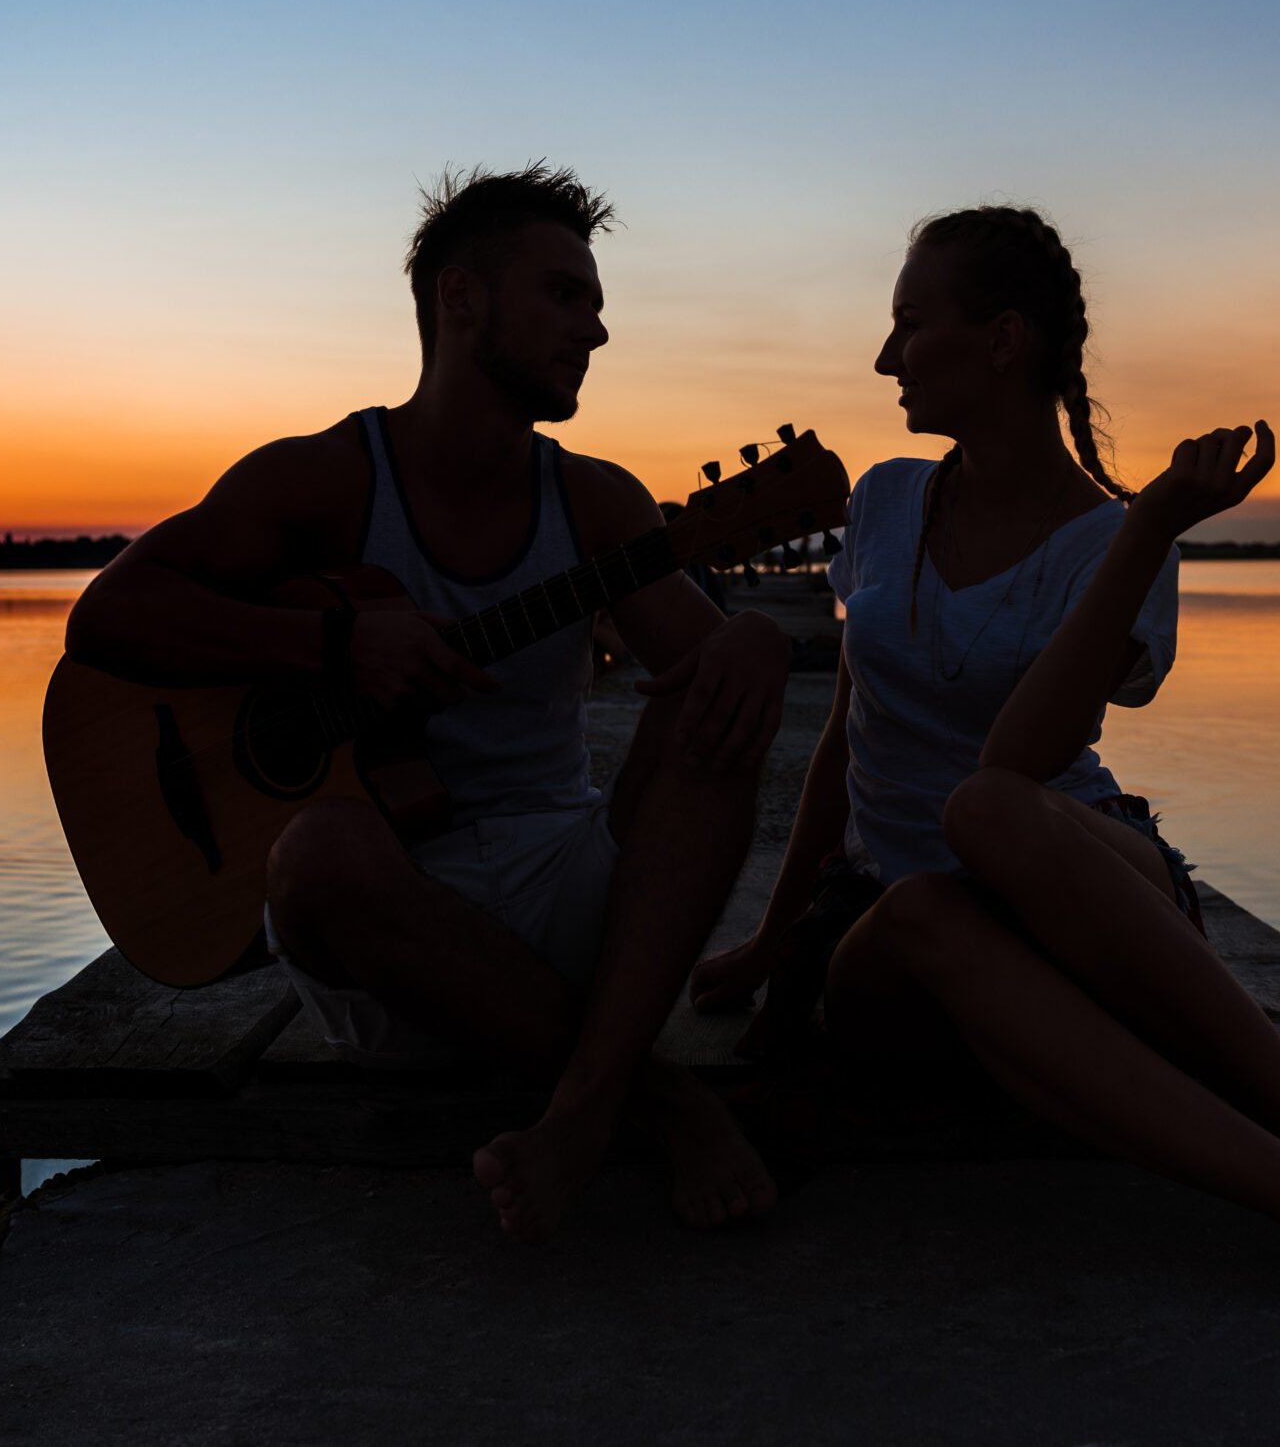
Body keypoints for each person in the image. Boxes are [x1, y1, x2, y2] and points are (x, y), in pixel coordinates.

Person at [691, 206, 1280, 1335]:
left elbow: (1019, 764)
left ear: (1001, 339)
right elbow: (846, 733)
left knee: (988, 808)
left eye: (909, 323)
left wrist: (1149, 524)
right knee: (928, 902)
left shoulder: (1113, 541)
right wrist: (774, 935)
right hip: (897, 928)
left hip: (1076, 889)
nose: (883, 356)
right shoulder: (885, 499)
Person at [68, 165, 786, 1243]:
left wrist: (760, 638)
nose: (595, 331)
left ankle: (584, 1107)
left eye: (595, 303)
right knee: (314, 852)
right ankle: (653, 1099)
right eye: (564, 295)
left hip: (567, 894)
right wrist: (334, 639)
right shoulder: (322, 481)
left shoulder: (595, 499)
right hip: (387, 946)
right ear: (461, 300)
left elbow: (707, 682)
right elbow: (109, 618)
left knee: (712, 713)